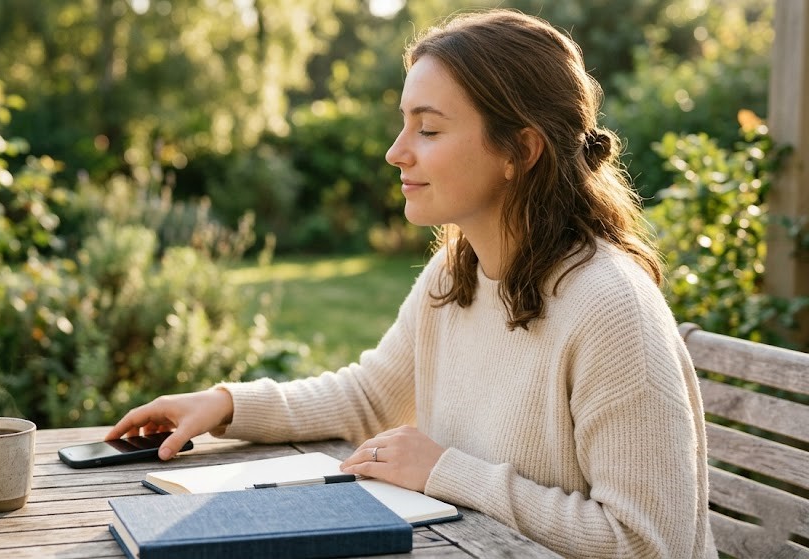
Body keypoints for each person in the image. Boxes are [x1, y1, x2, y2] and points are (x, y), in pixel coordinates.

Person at [107, 9, 715, 558]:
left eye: (428, 129)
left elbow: (644, 543)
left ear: (520, 150)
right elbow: (371, 397)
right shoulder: (458, 271)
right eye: (405, 125)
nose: (397, 152)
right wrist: (226, 404)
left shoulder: (610, 308)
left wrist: (447, 471)